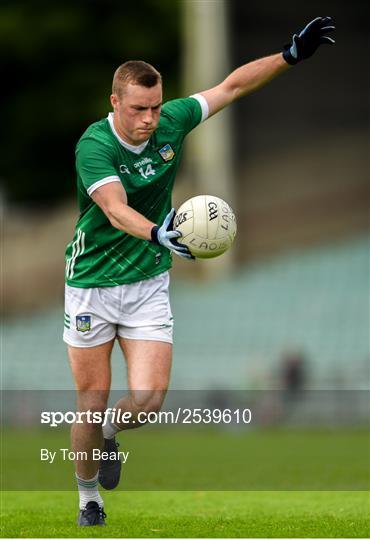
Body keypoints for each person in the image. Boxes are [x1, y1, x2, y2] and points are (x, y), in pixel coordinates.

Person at [63, 16, 335, 526]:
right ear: (114, 103)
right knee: (90, 400)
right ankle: (88, 499)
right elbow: (115, 209)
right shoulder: (94, 146)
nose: (149, 118)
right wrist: (156, 232)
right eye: (139, 109)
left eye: (156, 106)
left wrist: (289, 56)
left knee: (147, 400)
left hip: (146, 283)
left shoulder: (173, 120)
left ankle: (110, 436)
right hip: (90, 285)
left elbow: (231, 86)